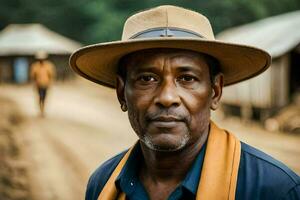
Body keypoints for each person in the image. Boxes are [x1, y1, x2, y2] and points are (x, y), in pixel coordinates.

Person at [70, 5, 300, 200]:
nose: (167, 98)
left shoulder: (275, 190)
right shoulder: (102, 184)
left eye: (187, 78)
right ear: (122, 93)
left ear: (215, 92)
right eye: (147, 79)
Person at [30, 51, 56, 117]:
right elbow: (33, 76)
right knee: (40, 97)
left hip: (46, 84)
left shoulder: (48, 66)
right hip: (38, 85)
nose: (41, 60)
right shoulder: (35, 66)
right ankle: (41, 110)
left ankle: (43, 110)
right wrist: (34, 84)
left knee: (44, 97)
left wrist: (50, 84)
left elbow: (51, 75)